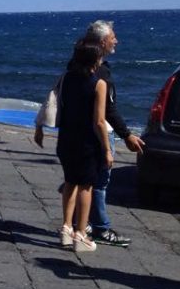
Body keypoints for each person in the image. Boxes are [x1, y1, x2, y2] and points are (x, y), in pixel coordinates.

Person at [83, 20, 144, 247]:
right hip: (100, 132)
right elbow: (107, 111)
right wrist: (126, 135)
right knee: (100, 181)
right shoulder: (101, 73)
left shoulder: (77, 67)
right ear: (102, 41)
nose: (116, 40)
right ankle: (100, 227)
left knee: (85, 180)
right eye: (113, 37)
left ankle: (85, 221)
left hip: (80, 132)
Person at [56, 40, 111, 252]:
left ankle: (66, 227)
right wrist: (106, 149)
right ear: (95, 60)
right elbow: (99, 121)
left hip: (66, 138)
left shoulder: (66, 79)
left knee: (70, 182)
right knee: (86, 186)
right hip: (87, 141)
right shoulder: (99, 84)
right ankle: (81, 232)